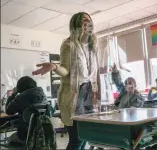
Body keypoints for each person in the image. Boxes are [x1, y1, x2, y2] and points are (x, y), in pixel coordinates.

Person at [32, 12, 99, 150]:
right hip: (73, 95)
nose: (88, 23)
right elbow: (65, 70)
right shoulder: (68, 45)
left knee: (85, 138)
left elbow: (92, 74)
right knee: (76, 140)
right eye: (84, 21)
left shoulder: (92, 46)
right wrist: (54, 67)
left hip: (88, 93)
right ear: (76, 25)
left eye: (89, 21)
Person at [5, 76, 47, 145]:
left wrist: (14, 94)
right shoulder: (42, 95)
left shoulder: (21, 97)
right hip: (41, 134)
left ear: (20, 87)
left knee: (9, 139)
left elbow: (8, 111)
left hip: (24, 135)